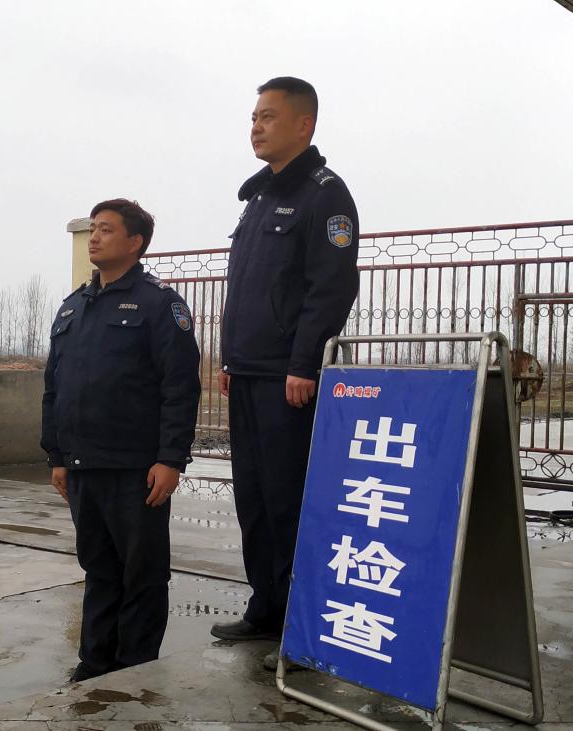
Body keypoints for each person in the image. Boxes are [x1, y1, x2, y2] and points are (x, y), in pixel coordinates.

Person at [209, 77, 359, 671]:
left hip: (287, 381)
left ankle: (305, 629)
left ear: (304, 124)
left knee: (289, 501)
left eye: (268, 116)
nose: (256, 126)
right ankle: (266, 609)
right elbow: (245, 290)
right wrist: (230, 360)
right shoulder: (259, 199)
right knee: (253, 499)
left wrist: (304, 363)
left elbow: (330, 287)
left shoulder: (325, 195)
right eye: (253, 117)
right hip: (248, 374)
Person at [41, 198, 201, 683]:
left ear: (135, 242)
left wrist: (170, 459)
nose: (94, 237)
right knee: (98, 568)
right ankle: (94, 663)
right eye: (92, 228)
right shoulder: (74, 306)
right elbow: (55, 387)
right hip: (83, 465)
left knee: (142, 572)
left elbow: (180, 386)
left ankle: (134, 670)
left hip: (136, 468)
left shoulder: (159, 304)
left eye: (106, 229)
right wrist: (57, 455)